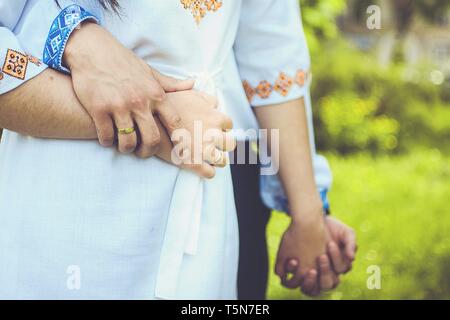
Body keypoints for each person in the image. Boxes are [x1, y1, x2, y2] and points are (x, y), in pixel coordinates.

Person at [0, 0, 355, 299]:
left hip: (206, 189)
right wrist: (162, 122)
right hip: (66, 190)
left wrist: (309, 214)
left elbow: (272, 55)